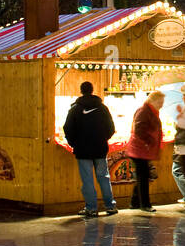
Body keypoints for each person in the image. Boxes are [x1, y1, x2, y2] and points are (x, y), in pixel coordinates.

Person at [63, 81, 118, 218]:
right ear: (92, 90)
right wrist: (103, 139)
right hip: (100, 149)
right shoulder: (103, 108)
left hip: (83, 150)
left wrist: (74, 143)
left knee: (87, 180)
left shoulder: (75, 109)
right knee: (104, 178)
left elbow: (67, 128)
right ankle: (110, 206)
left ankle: (91, 208)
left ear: (81, 91)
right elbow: (111, 128)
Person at [125, 91, 164, 212]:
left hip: (142, 149)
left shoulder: (150, 111)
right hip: (140, 149)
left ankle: (135, 202)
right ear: (152, 100)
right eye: (160, 101)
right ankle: (145, 204)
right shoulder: (144, 111)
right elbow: (139, 129)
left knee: (143, 176)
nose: (161, 104)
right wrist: (149, 140)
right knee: (143, 176)